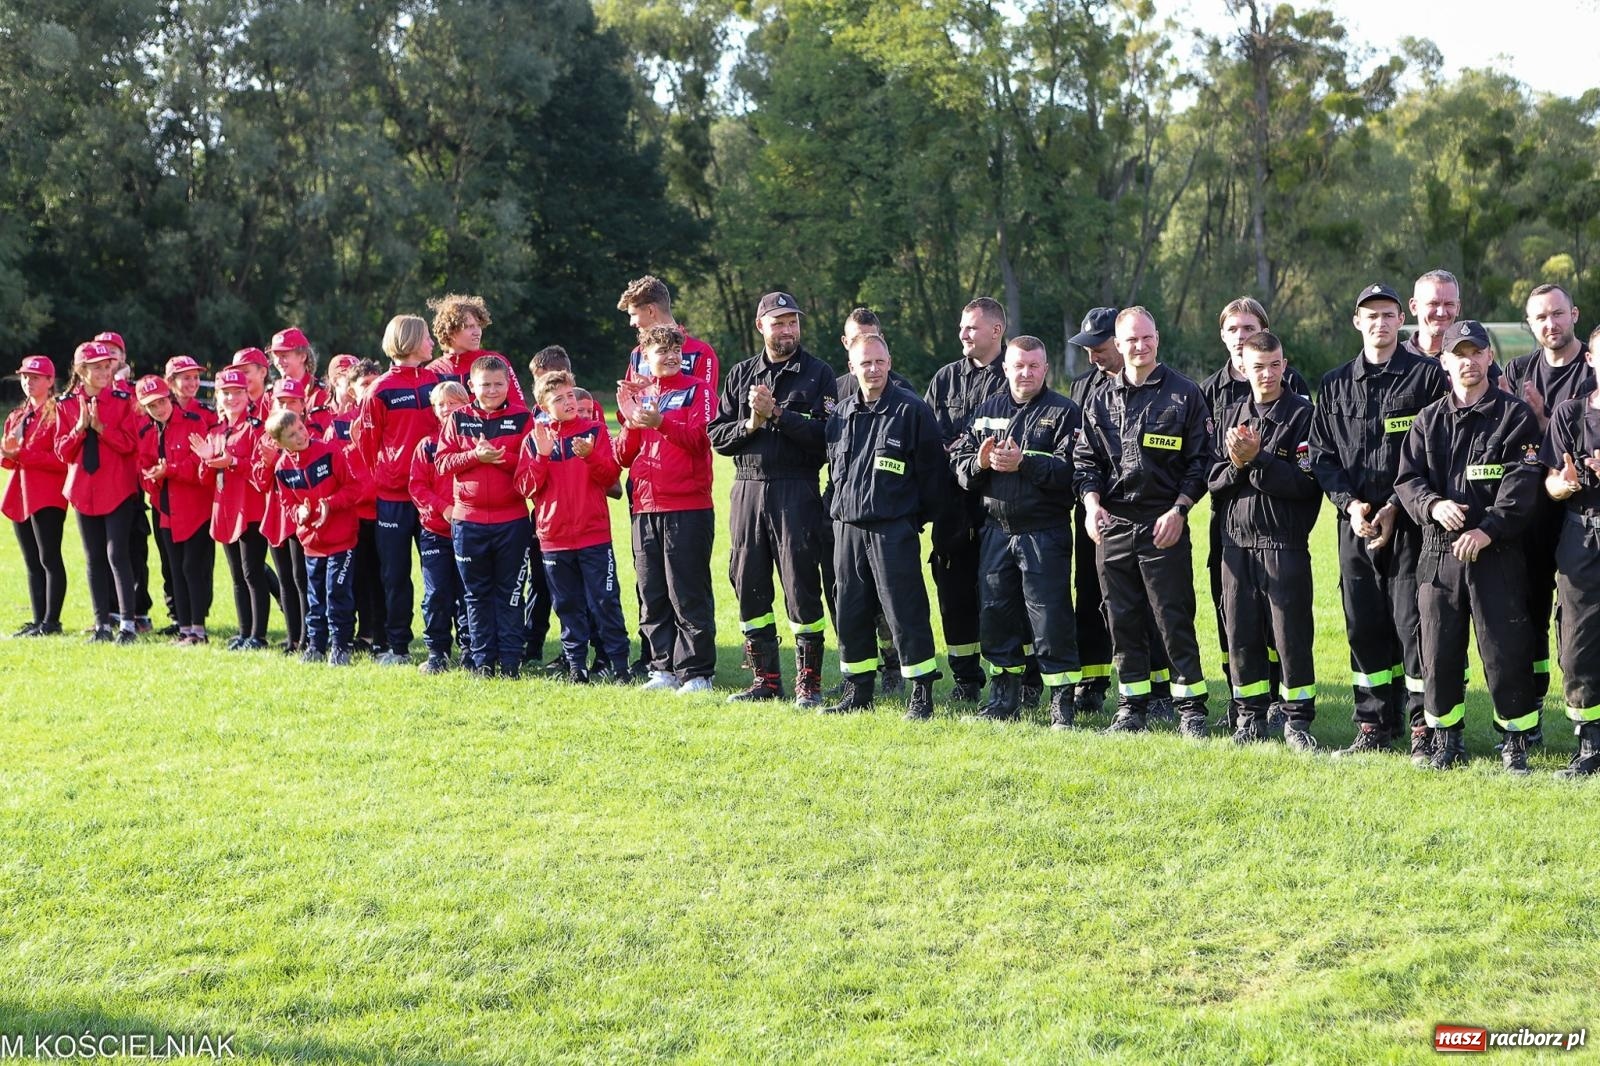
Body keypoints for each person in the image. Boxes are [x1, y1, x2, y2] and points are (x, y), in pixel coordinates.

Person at [1396, 320, 1543, 772]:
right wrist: (1433, 505)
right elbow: (1407, 479)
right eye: (1458, 353)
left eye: (1476, 352)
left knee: (1504, 649)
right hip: (1439, 555)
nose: (1468, 361)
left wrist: (1488, 530)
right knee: (1438, 650)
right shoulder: (1428, 419)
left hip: (1495, 555)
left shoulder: (1514, 416)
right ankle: (1447, 739)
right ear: (1444, 361)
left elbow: (1523, 484)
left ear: (1488, 357)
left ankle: (1515, 741)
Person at [1310, 283, 1449, 758]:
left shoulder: (1428, 379)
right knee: (1362, 624)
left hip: (1410, 524)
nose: (1380, 323)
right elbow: (1322, 456)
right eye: (1371, 316)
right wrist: (1350, 505)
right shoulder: (1333, 384)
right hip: (1355, 524)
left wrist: (1393, 504)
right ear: (1357, 321)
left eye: (1389, 315)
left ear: (1400, 321)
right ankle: (1372, 725)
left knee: (1412, 625)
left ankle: (1420, 728)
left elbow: (1434, 454)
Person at [1075, 307, 1212, 735]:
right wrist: (1091, 505)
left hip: (1162, 523)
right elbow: (1085, 461)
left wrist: (1180, 510)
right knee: (1121, 617)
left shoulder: (1184, 394)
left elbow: (1200, 462)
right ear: (1118, 344)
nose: (1139, 346)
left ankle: (1190, 709)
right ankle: (1130, 706)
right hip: (1113, 524)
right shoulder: (1099, 398)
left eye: (1146, 338)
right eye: (1130, 340)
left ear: (1157, 339)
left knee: (1172, 618)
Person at [708, 291, 835, 707]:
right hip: (746, 489)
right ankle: (765, 680)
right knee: (748, 583)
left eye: (792, 322)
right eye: (778, 322)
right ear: (761, 326)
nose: (787, 330)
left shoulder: (818, 374)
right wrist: (751, 422)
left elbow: (826, 438)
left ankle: (808, 683)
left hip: (796, 489)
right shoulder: (741, 373)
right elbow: (717, 437)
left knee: (801, 585)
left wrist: (779, 415)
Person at [951, 336, 1082, 726]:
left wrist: (1024, 463)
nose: (1025, 373)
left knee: (1050, 616)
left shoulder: (1063, 412)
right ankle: (1003, 694)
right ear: (1005, 368)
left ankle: (1062, 699)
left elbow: (1070, 472)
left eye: (1033, 366)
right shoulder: (986, 410)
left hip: (1044, 531)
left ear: (1046, 369)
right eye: (1018, 366)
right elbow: (959, 466)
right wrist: (978, 463)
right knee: (995, 613)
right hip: (995, 530)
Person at [822, 332, 946, 719]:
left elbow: (934, 478)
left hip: (893, 529)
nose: (872, 369)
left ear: (889, 362)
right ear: (852, 367)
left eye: (879, 361)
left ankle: (921, 693)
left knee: (904, 610)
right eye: (865, 363)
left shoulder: (911, 411)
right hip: (847, 529)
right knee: (851, 611)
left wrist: (910, 520)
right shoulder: (841, 414)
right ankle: (858, 690)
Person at [1207, 332, 1321, 750]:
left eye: (1274, 365)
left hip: (1283, 542)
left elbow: (1306, 484)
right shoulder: (1230, 414)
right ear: (1244, 368)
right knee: (1241, 634)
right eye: (1258, 367)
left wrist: (1259, 459)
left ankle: (1296, 722)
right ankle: (1249, 717)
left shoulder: (1303, 416)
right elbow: (1213, 481)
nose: (1267, 374)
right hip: (1235, 543)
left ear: (1285, 364)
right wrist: (1238, 464)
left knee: (1291, 637)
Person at [1502, 284, 1590, 744]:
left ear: (1573, 314)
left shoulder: (1593, 370)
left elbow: (1576, 438)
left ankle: (1587, 721)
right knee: (1527, 615)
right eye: (1540, 318)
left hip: (1581, 515)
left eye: (1558, 314)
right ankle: (1530, 717)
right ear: (1529, 323)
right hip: (1532, 516)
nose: (1550, 325)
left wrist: (1538, 419)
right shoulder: (1517, 371)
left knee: (1580, 621)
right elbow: (1511, 441)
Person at [616, 325, 718, 694]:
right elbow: (623, 456)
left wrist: (661, 422)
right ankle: (663, 668)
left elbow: (701, 439)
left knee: (687, 591)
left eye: (676, 350)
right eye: (662, 350)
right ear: (645, 357)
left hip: (687, 505)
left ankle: (697, 673)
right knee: (653, 591)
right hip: (644, 506)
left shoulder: (698, 389)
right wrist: (629, 419)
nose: (672, 356)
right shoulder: (642, 395)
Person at [515, 371, 629, 684]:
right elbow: (525, 487)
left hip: (594, 535)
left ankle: (620, 665)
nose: (569, 403)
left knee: (605, 600)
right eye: (559, 399)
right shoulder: (535, 439)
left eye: (570, 396)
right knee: (567, 604)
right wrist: (540, 456)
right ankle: (576, 666)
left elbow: (610, 479)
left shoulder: (594, 430)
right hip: (554, 539)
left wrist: (591, 457)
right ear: (542, 406)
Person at [820, 307, 913, 693]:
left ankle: (892, 664)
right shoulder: (835, 392)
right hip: (842, 511)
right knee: (843, 594)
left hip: (887, 514)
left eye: (873, 337)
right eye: (857, 338)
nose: (870, 363)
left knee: (886, 599)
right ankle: (855, 672)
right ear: (847, 345)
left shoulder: (903, 394)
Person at [923, 297, 1011, 704]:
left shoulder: (1015, 374)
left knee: (1000, 597)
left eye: (971, 327)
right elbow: (927, 436)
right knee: (954, 596)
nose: (963, 334)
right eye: (962, 326)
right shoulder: (945, 379)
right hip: (953, 508)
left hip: (997, 507)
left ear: (996, 331)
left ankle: (1013, 680)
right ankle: (965, 678)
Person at [435, 354, 533, 678]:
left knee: (509, 594)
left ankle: (509, 664)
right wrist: (474, 455)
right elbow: (442, 463)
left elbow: (531, 466)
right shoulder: (458, 418)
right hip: (469, 521)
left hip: (512, 520)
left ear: (508, 384)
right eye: (485, 384)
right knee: (475, 595)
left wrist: (499, 459)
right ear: (471, 386)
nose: (492, 390)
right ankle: (481, 664)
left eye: (498, 384)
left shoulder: (522, 418)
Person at [357, 315, 442, 665]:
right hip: (392, 499)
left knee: (437, 575)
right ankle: (399, 647)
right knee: (394, 577)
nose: (432, 344)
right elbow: (365, 443)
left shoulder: (438, 381)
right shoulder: (380, 389)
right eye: (426, 338)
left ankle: (442, 646)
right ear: (409, 341)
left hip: (432, 496)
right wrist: (387, 474)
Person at [1540, 324, 1600, 777]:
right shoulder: (1569, 413)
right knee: (1577, 644)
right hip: (1582, 535)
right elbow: (1550, 482)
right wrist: (1565, 484)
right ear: (1591, 361)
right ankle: (1590, 745)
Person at [56, 342, 143, 644]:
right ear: (81, 371)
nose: (106, 372)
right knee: (93, 557)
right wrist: (80, 428)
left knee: (116, 554)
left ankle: (128, 625)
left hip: (116, 487)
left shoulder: (121, 400)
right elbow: (62, 452)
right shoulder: (66, 404)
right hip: (83, 489)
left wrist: (102, 428)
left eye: (108, 367)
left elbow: (131, 444)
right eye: (97, 368)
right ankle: (101, 624)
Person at [265, 409, 365, 666]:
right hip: (312, 543)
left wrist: (328, 504)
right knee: (315, 597)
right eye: (292, 435)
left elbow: (353, 488)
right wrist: (299, 513)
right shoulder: (282, 468)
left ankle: (341, 646)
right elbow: (287, 504)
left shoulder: (329, 452)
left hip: (342, 539)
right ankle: (316, 646)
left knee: (336, 593)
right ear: (279, 443)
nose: (301, 435)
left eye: (300, 428)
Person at [134, 375, 215, 645]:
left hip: (195, 509)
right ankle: (184, 628)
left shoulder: (193, 423)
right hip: (166, 510)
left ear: (169, 397)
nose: (159, 409)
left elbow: (199, 467)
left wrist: (170, 470)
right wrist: (155, 478)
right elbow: (144, 471)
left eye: (161, 401)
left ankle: (198, 629)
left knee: (193, 568)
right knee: (175, 568)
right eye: (151, 405)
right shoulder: (145, 433)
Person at [199, 366, 273, 650]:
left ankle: (259, 635)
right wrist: (206, 460)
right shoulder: (216, 431)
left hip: (250, 508)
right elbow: (205, 478)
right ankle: (244, 633)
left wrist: (232, 462)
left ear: (247, 395)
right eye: (225, 393)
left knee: (253, 572)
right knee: (237, 576)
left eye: (237, 393)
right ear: (218, 396)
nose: (231, 398)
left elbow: (258, 469)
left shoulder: (255, 428)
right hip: (225, 508)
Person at [253, 377, 325, 655]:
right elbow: (259, 481)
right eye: (280, 401)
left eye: (292, 401)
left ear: (303, 405)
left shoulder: (310, 432)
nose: (285, 405)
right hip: (277, 513)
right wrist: (269, 462)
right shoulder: (267, 436)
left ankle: (311, 637)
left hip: (303, 512)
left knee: (302, 578)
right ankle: (292, 637)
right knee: (284, 577)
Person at [410, 381, 474, 674]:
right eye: (441, 405)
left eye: (453, 403)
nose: (447, 409)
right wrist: (444, 508)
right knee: (436, 594)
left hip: (470, 531)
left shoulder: (476, 440)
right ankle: (437, 652)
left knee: (468, 592)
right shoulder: (427, 446)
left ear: (467, 404)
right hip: (435, 530)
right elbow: (418, 486)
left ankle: (471, 650)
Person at [2, 355, 69, 636]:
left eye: (36, 377)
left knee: (49, 558)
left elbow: (62, 458)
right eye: (26, 377)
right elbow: (9, 460)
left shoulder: (58, 413)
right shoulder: (18, 415)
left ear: (50, 381)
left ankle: (51, 622)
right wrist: (7, 453)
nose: (29, 382)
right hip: (21, 493)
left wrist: (23, 454)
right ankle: (38, 618)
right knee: (31, 560)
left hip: (47, 494)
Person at [618, 274, 720, 400]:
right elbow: (628, 411)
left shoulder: (700, 352)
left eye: (633, 314)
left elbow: (706, 406)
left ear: (650, 310)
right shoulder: (638, 353)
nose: (631, 323)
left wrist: (657, 388)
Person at [427, 293, 527, 406]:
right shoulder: (432, 371)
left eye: (478, 326)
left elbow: (518, 407)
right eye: (469, 327)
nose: (477, 332)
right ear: (450, 331)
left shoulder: (496, 361)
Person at [268, 327, 331, 413]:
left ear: (302, 357)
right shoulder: (270, 395)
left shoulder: (320, 393)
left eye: (284, 356)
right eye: (276, 357)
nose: (278, 362)